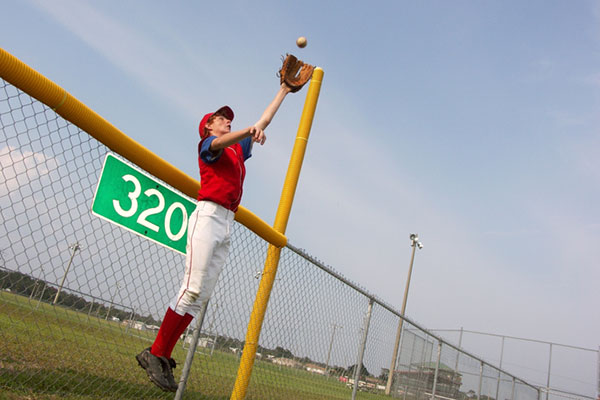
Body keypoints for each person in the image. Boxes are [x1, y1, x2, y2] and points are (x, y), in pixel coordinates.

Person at [136, 82, 293, 392]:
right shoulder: (208, 144)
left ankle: (163, 354)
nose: (226, 120)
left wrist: (284, 91)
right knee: (191, 287)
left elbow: (261, 123)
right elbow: (236, 136)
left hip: (226, 223)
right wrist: (248, 131)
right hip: (207, 216)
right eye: (220, 118)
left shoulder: (236, 148)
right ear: (208, 126)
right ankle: (155, 352)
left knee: (200, 297)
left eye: (228, 118)